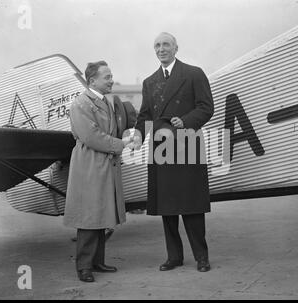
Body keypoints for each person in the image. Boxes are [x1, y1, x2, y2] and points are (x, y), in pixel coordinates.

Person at [131, 32, 214, 272]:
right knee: (167, 205)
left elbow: (207, 107)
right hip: (160, 146)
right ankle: (174, 256)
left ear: (176, 47)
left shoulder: (194, 73)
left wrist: (186, 121)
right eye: (156, 45)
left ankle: (201, 257)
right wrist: (137, 135)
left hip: (187, 142)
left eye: (166, 44)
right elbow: (145, 115)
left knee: (192, 203)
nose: (161, 49)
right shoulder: (149, 81)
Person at [64, 61, 130, 282]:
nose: (112, 80)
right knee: (89, 216)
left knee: (101, 214)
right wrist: (121, 144)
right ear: (92, 81)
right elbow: (91, 137)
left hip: (102, 164)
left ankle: (97, 262)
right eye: (107, 77)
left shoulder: (103, 101)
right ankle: (84, 266)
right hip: (90, 165)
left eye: (111, 76)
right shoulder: (81, 103)